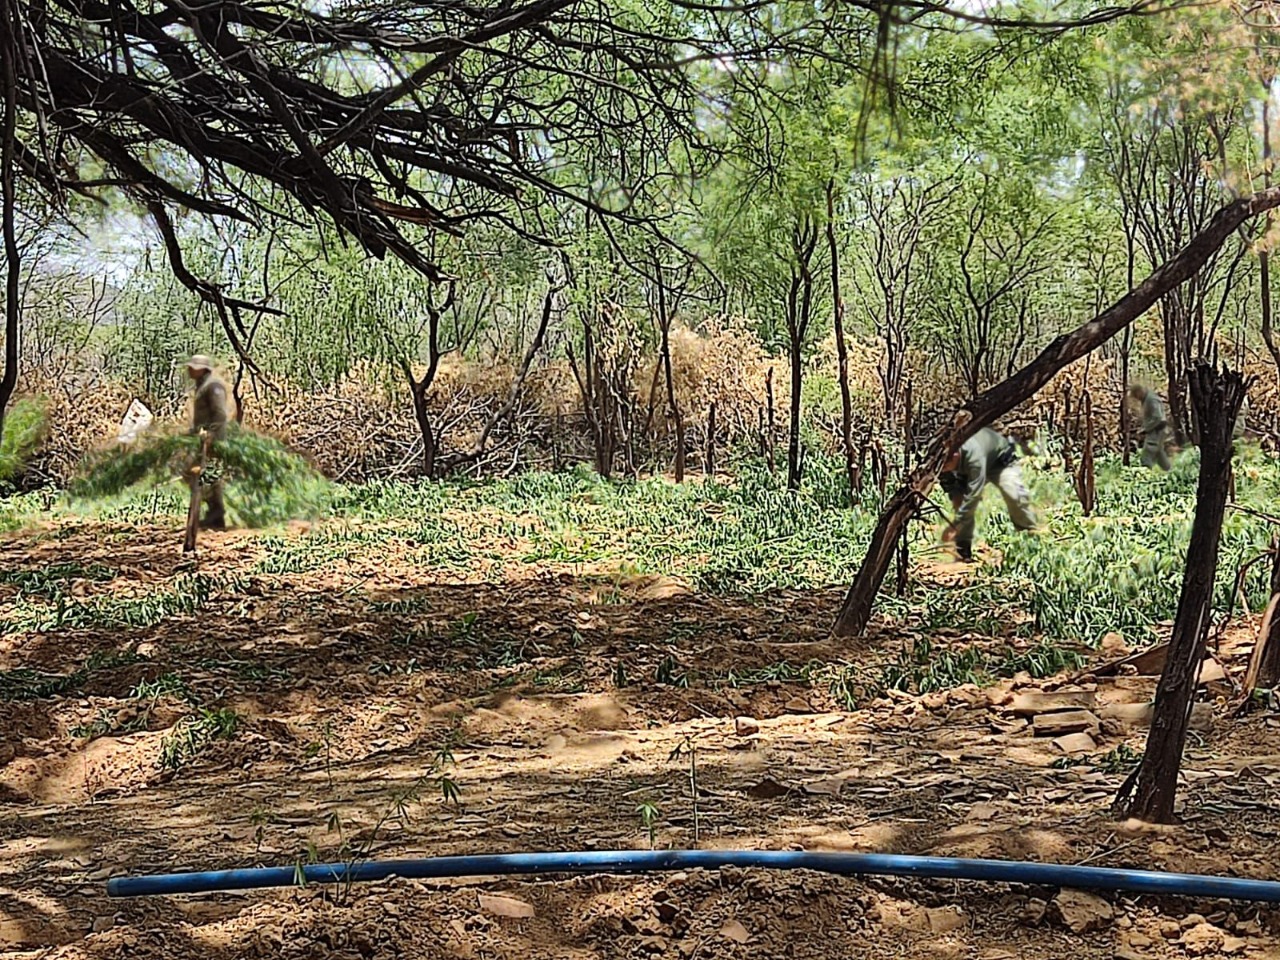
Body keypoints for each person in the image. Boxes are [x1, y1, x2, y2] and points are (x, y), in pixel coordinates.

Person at [939, 427, 1037, 562]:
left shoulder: (974, 456)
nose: (942, 468)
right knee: (960, 505)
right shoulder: (940, 460)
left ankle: (1029, 535)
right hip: (966, 468)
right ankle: (963, 550)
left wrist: (954, 525)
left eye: (945, 464)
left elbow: (973, 497)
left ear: (955, 455)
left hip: (1000, 462)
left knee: (1013, 494)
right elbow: (954, 492)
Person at [186, 355, 228, 529]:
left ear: (202, 369)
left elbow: (220, 414)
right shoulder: (202, 386)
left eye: (193, 367)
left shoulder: (213, 386)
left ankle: (216, 516)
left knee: (210, 476)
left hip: (213, 440)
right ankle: (213, 513)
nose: (189, 370)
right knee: (197, 474)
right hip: (202, 438)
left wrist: (211, 434)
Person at [1128, 384, 1171, 471]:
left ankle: (1145, 473)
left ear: (1139, 392)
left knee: (1146, 457)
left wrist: (1146, 428)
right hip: (1157, 430)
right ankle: (1169, 471)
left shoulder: (1151, 399)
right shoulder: (1148, 399)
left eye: (1136, 396)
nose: (1137, 399)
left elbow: (1158, 417)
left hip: (1157, 430)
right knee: (1159, 454)